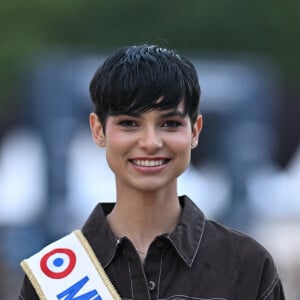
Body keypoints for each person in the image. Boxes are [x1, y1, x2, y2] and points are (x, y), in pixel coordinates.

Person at [19, 44, 285, 299]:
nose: (150, 142)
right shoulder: (50, 276)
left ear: (195, 131)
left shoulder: (248, 265)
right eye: (129, 123)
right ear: (98, 131)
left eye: (169, 123)